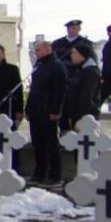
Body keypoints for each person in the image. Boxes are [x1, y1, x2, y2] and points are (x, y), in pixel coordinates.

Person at [25, 41, 67, 185]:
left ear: (48, 49)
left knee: (50, 143)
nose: (36, 53)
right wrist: (28, 109)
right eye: (35, 50)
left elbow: (60, 90)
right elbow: (34, 89)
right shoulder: (39, 65)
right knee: (38, 143)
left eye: (39, 50)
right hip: (36, 110)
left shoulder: (57, 66)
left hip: (48, 111)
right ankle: (39, 172)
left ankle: (55, 174)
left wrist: (56, 110)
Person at [63, 43, 101, 129]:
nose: (71, 55)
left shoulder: (91, 72)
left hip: (85, 116)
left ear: (82, 54)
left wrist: (78, 119)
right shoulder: (80, 69)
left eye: (74, 53)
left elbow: (87, 97)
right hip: (76, 114)